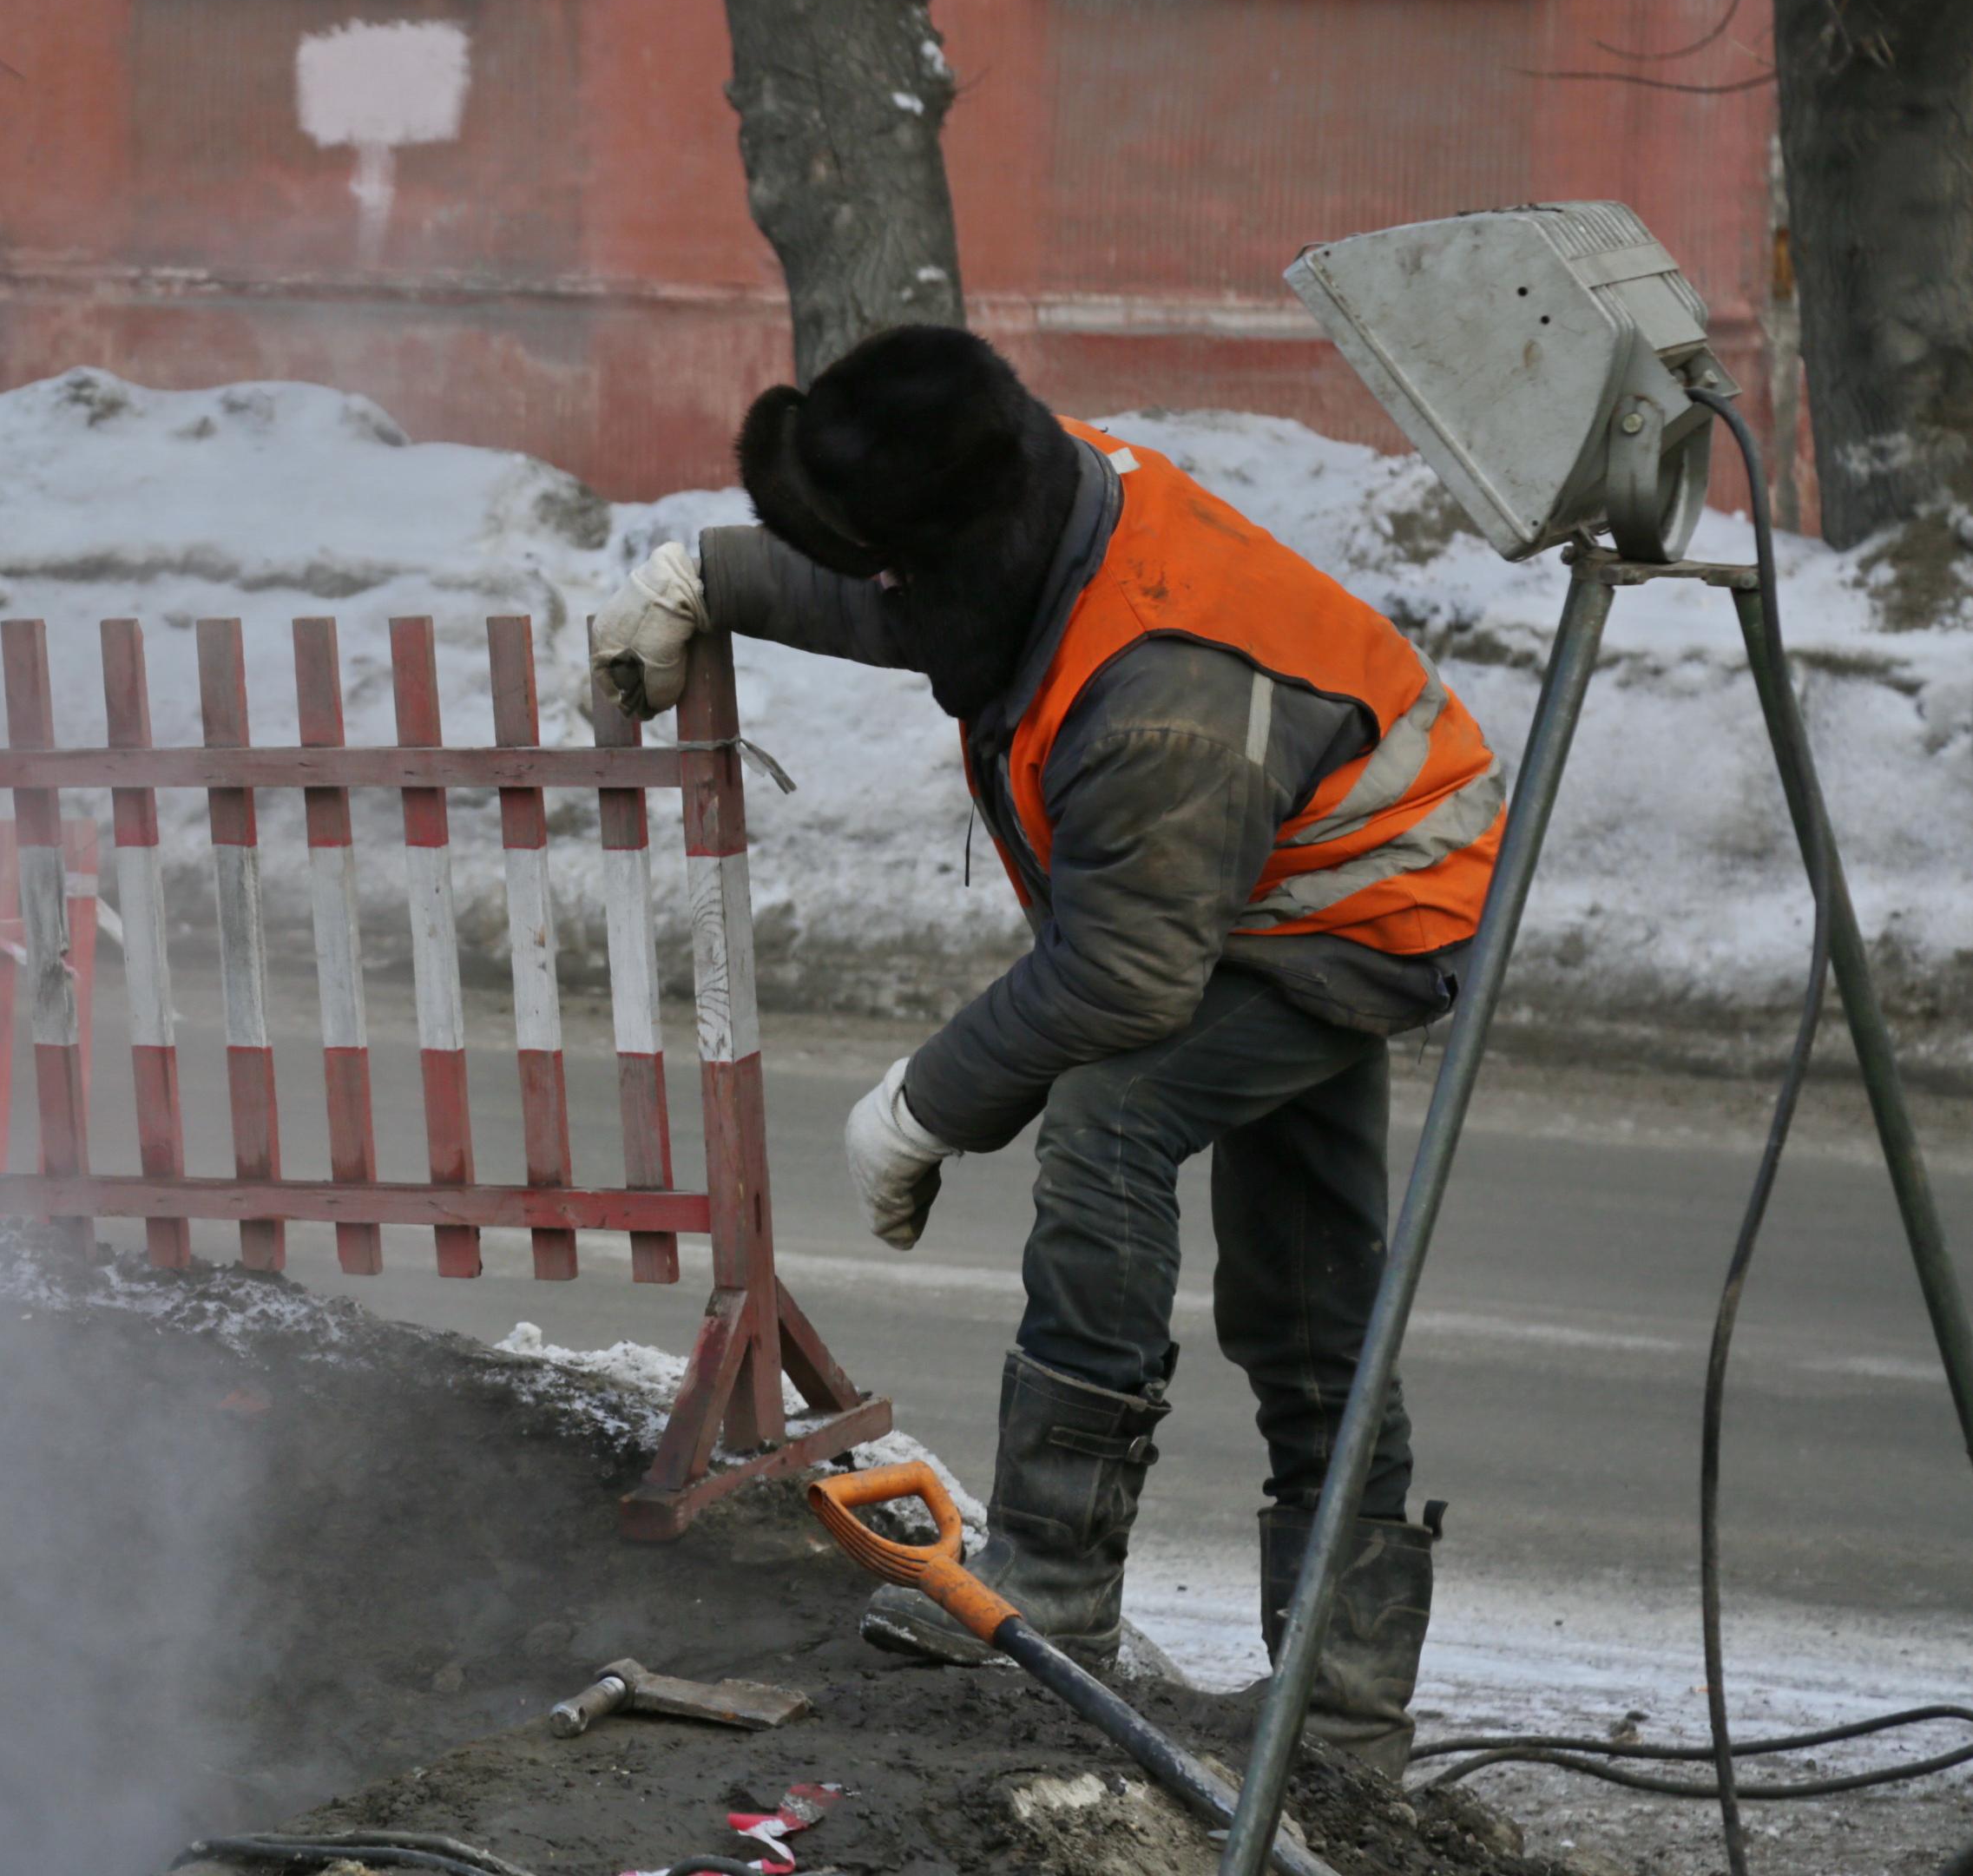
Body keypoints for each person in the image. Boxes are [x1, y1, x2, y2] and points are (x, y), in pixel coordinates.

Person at [589, 326, 1503, 1778]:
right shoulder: (1033, 497)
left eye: (887, 568)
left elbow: (1127, 978)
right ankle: (1341, 1720)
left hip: (1351, 903)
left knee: (1107, 1120)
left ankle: (1056, 1601)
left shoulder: (1156, 692)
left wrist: (922, 1107)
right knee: (1309, 1293)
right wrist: (701, 573)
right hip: (1272, 859)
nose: (882, 593)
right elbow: (911, 587)